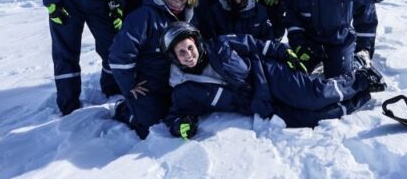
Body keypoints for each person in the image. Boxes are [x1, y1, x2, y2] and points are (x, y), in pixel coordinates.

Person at [161, 21, 387, 139]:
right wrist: (180, 126)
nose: (188, 55)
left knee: (313, 96)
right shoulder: (184, 88)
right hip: (258, 103)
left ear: (197, 43)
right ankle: (363, 95)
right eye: (181, 52)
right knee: (312, 117)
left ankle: (361, 77)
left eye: (190, 47)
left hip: (268, 74)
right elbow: (175, 116)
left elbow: (255, 44)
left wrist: (284, 52)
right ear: (174, 57)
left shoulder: (221, 44)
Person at [108, 0, 197, 139]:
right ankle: (125, 109)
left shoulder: (191, 18)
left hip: (176, 82)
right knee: (149, 126)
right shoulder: (144, 16)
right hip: (148, 85)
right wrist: (129, 85)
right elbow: (120, 53)